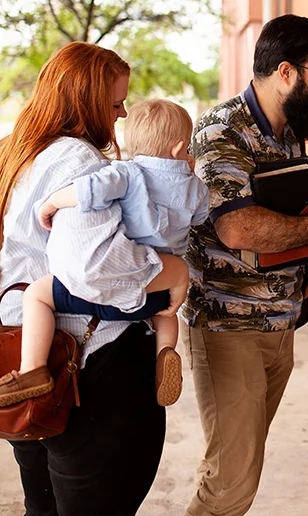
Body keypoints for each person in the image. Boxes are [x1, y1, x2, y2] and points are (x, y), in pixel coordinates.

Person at [182, 13, 308, 516]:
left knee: (238, 467)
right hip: (229, 328)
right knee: (230, 482)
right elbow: (239, 227)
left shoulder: (287, 130)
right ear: (286, 72)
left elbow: (288, 200)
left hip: (280, 322)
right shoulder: (221, 130)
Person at [0, 42, 191, 516]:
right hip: (86, 363)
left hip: (22, 359)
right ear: (83, 102)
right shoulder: (77, 162)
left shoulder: (13, 153)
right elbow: (94, 269)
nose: (122, 115)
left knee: (41, 506)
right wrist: (175, 269)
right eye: (114, 104)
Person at [0, 98, 209, 409]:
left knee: (37, 295)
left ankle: (33, 369)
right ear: (180, 149)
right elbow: (202, 215)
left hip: (114, 293)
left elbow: (90, 191)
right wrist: (188, 177)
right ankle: (166, 352)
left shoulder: (127, 173)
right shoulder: (195, 188)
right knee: (166, 315)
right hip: (158, 292)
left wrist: (52, 203)